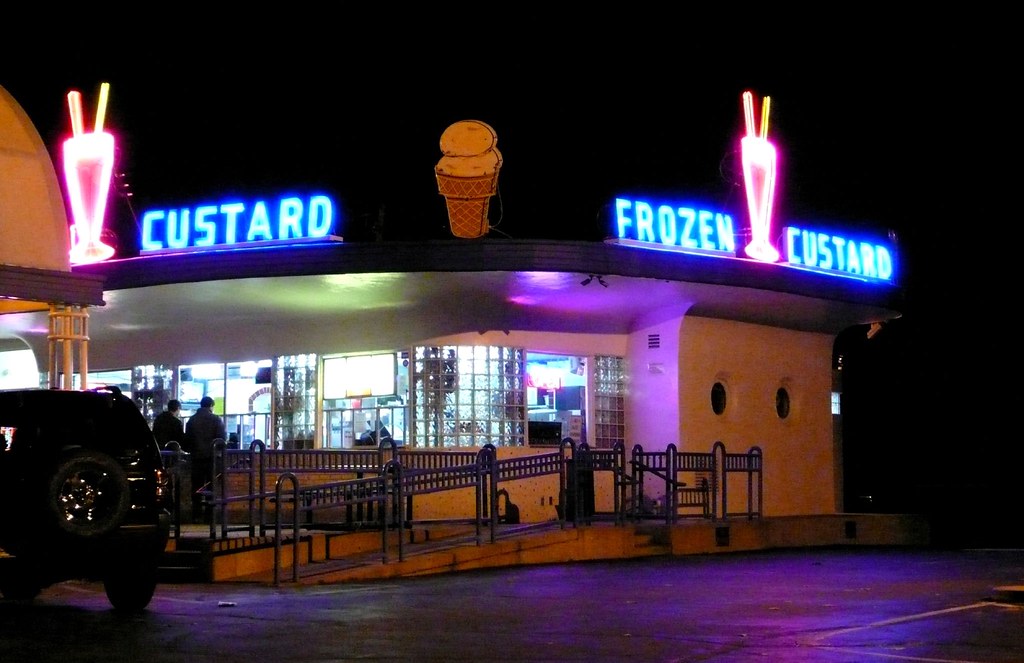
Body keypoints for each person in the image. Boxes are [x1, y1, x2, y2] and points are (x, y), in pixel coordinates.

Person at [183, 396, 227, 523]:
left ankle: (196, 515)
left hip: (196, 458)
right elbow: (222, 439)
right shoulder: (216, 419)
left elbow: (187, 441)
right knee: (211, 488)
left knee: (196, 487)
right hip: (211, 459)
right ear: (211, 406)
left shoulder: (191, 420)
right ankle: (209, 516)